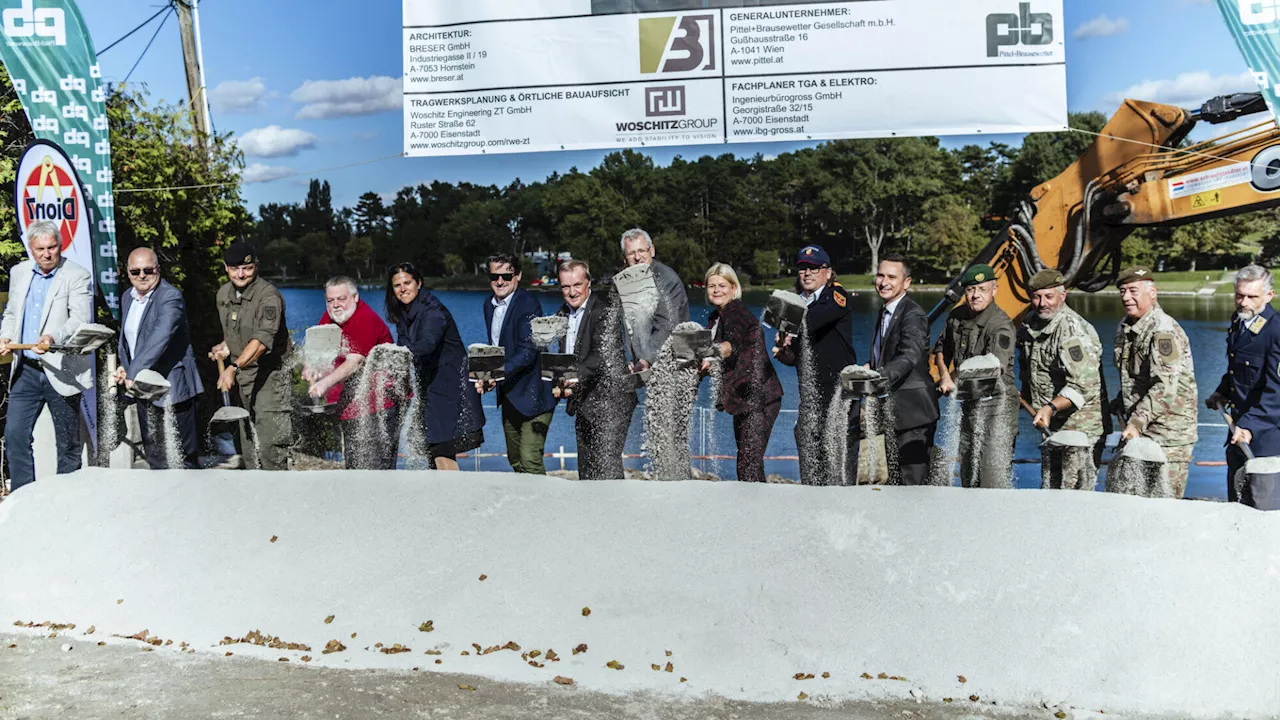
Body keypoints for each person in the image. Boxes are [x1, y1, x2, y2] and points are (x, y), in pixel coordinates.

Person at [0, 220, 92, 490]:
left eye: (52, 247)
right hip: (26, 370)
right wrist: (6, 336)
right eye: (40, 249)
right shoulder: (19, 272)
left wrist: (53, 338)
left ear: (60, 246)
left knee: (67, 442)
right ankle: (24, 498)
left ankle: (65, 500)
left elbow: (80, 319)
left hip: (61, 368)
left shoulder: (77, 274)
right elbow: (12, 313)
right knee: (15, 433)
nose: (47, 254)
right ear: (31, 248)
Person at [1109, 267, 1198, 498]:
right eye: (1122, 291)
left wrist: (1136, 423)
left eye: (1133, 291)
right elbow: (1134, 377)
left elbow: (1165, 388)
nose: (1126, 297)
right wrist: (1121, 401)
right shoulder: (1126, 326)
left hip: (1168, 435)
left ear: (1153, 293)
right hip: (1141, 428)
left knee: (1164, 506)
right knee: (1130, 498)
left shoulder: (1163, 331)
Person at [386, 262, 483, 471]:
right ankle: (441, 497)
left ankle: (454, 499)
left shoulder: (433, 311)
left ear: (419, 283)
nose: (403, 289)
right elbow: (404, 345)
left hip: (450, 389)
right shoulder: (404, 311)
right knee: (431, 450)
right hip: (431, 389)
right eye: (397, 285)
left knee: (442, 451)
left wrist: (396, 354)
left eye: (407, 283)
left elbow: (427, 344)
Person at [773, 245, 856, 485]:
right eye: (802, 269)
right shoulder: (798, 304)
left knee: (837, 467)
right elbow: (799, 354)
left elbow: (813, 320)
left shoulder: (835, 297)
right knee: (809, 461)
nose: (807, 273)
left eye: (814, 268)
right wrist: (786, 353)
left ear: (828, 273)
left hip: (838, 394)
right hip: (810, 396)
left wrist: (785, 321)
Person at [114, 247, 204, 469]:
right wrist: (126, 366)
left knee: (184, 459)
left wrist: (133, 371)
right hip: (144, 389)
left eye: (148, 270)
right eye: (135, 272)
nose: (142, 276)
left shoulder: (170, 297)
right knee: (154, 457)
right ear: (128, 273)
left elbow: (160, 337)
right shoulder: (128, 297)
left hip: (173, 388)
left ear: (158, 269)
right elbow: (131, 341)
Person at [1017, 268, 1107, 490]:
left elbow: (1083, 383)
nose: (1042, 303)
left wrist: (1049, 408)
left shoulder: (1072, 329)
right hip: (1051, 425)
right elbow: (1028, 369)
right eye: (1036, 297)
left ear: (1063, 295)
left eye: (1049, 296)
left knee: (1074, 495)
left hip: (1080, 428)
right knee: (1050, 489)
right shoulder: (1030, 323)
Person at [933, 263, 1018, 488]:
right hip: (969, 405)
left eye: (982, 289)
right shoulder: (956, 317)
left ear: (994, 289)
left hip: (997, 408)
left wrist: (958, 380)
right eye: (970, 290)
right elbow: (941, 350)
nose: (976, 295)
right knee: (969, 474)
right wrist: (945, 376)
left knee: (992, 477)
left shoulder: (1001, 325)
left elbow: (993, 368)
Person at [211, 240, 294, 470]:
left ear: (256, 266)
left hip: (270, 377)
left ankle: (279, 501)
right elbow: (234, 332)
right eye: (235, 268)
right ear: (226, 268)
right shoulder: (223, 294)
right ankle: (254, 499)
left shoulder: (269, 297)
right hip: (242, 379)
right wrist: (224, 347)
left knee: (270, 448)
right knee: (247, 446)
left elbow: (260, 342)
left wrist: (233, 367)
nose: (241, 274)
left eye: (247, 268)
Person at [552, 260, 636, 480]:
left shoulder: (605, 311)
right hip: (583, 401)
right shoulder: (560, 314)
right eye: (565, 287)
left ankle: (615, 512)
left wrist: (570, 377)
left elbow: (600, 356)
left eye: (577, 285)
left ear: (588, 283)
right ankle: (590, 512)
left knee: (607, 467)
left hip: (612, 401)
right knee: (587, 469)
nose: (571, 292)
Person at [306, 276, 398, 470]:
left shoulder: (364, 319)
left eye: (341, 299)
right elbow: (319, 347)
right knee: (355, 466)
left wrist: (323, 384)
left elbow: (354, 363)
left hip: (379, 405)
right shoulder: (332, 317)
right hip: (352, 405)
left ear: (355, 297)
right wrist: (311, 366)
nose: (335, 305)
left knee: (375, 468)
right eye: (330, 301)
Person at [1206, 264, 1280, 505]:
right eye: (1239, 295)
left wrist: (1249, 426)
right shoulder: (1240, 322)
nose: (1243, 302)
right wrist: (1222, 391)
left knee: (1263, 507)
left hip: (1267, 438)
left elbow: (1275, 391)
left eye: (1252, 296)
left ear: (1269, 296)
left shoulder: (1276, 331)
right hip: (1237, 432)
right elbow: (1237, 368)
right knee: (1237, 503)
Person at [702, 263, 783, 483]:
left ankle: (754, 510)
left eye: (722, 285)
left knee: (748, 461)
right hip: (743, 398)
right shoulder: (715, 317)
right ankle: (755, 508)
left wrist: (711, 354)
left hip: (760, 397)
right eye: (712, 286)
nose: (717, 290)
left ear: (734, 288)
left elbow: (732, 344)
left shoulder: (735, 310)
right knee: (749, 459)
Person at [477, 254, 557, 474]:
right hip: (509, 395)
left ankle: (546, 507)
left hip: (535, 394)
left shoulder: (529, 304)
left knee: (530, 460)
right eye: (495, 276)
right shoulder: (488, 304)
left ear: (518, 276)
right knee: (515, 460)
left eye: (506, 276)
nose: (500, 281)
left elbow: (528, 351)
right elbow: (494, 347)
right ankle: (526, 506)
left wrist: (496, 373)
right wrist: (484, 376)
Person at [868, 255, 939, 486]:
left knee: (913, 487)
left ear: (906, 282)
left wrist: (879, 376)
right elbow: (885, 355)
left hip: (914, 414)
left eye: (891, 277)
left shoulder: (914, 314)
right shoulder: (886, 310)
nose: (883, 282)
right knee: (897, 482)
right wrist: (867, 369)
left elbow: (909, 355)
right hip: (894, 412)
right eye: (880, 275)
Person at [619, 228, 690, 374]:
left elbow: (667, 325)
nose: (637, 257)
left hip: (675, 365)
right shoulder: (627, 281)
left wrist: (646, 359)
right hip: (647, 364)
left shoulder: (667, 280)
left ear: (652, 251)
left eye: (642, 251)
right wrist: (633, 359)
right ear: (624, 258)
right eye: (631, 253)